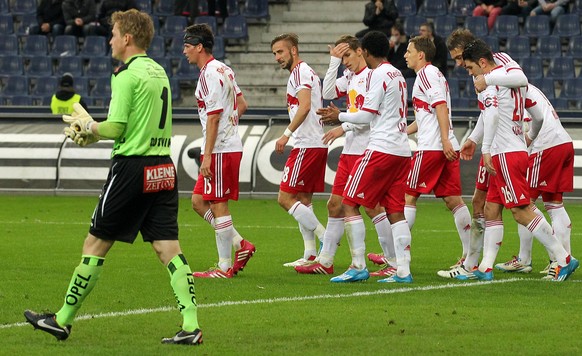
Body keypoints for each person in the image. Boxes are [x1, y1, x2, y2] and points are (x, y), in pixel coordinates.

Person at [24, 9, 202, 345]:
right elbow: (132, 126)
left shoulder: (126, 75)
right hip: (163, 166)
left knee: (94, 243)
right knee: (167, 248)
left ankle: (61, 320)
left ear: (127, 38)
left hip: (132, 169)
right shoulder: (159, 71)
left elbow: (117, 127)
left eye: (114, 33)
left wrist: (89, 128)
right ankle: (191, 326)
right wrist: (95, 131)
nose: (110, 40)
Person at [462, 38, 578, 282]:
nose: (472, 75)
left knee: (521, 211)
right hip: (518, 151)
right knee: (492, 207)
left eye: (471, 68)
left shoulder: (490, 84)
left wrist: (487, 149)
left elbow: (491, 115)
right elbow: (537, 115)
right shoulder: (513, 80)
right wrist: (527, 137)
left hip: (505, 154)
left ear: (482, 63)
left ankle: (563, 259)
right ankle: (485, 268)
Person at [294, 35, 397, 278]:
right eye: (342, 58)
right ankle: (326, 260)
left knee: (371, 207)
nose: (345, 62)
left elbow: (370, 117)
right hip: (350, 150)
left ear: (361, 51)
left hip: (367, 148)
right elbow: (328, 91)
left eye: (347, 56)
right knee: (335, 204)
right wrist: (333, 62)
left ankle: (390, 261)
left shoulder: (373, 77)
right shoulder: (350, 76)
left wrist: (343, 125)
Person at [319, 30, 412, 284]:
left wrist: (339, 118)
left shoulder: (378, 74)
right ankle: (402, 271)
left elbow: (366, 115)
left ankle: (358, 265)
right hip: (402, 149)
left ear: (365, 52)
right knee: (395, 210)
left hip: (380, 148)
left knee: (349, 202)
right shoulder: (397, 74)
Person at [439, 28, 528, 280]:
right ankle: (474, 263)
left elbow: (521, 81)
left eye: (459, 58)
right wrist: (473, 139)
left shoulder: (497, 63)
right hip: (494, 142)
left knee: (521, 206)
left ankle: (554, 255)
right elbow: (486, 112)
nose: (458, 64)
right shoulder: (478, 71)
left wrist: (484, 146)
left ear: (472, 51)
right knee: (483, 203)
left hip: (505, 143)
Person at [183, 23, 256, 279]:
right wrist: (231, 122)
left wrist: (209, 154)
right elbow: (242, 103)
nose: (184, 51)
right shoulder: (223, 68)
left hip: (220, 150)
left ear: (199, 47)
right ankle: (240, 244)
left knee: (218, 203)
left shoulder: (209, 74)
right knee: (198, 201)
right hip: (223, 145)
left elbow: (213, 117)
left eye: (188, 46)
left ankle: (224, 267)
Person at [403, 35, 472, 272]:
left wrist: (443, 140)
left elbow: (441, 107)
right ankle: (469, 258)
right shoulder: (434, 75)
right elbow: (427, 116)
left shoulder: (426, 74)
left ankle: (395, 257)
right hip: (442, 144)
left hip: (432, 147)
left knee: (408, 195)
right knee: (453, 199)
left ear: (421, 55)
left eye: (409, 51)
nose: (405, 55)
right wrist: (403, 130)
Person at [270, 33, 328, 267]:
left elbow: (304, 107)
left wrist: (286, 134)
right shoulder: (302, 72)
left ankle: (326, 238)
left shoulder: (301, 72)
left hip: (307, 144)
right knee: (303, 199)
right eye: (274, 53)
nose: (277, 57)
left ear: (293, 50)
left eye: (280, 52)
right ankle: (310, 254)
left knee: (285, 198)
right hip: (315, 143)